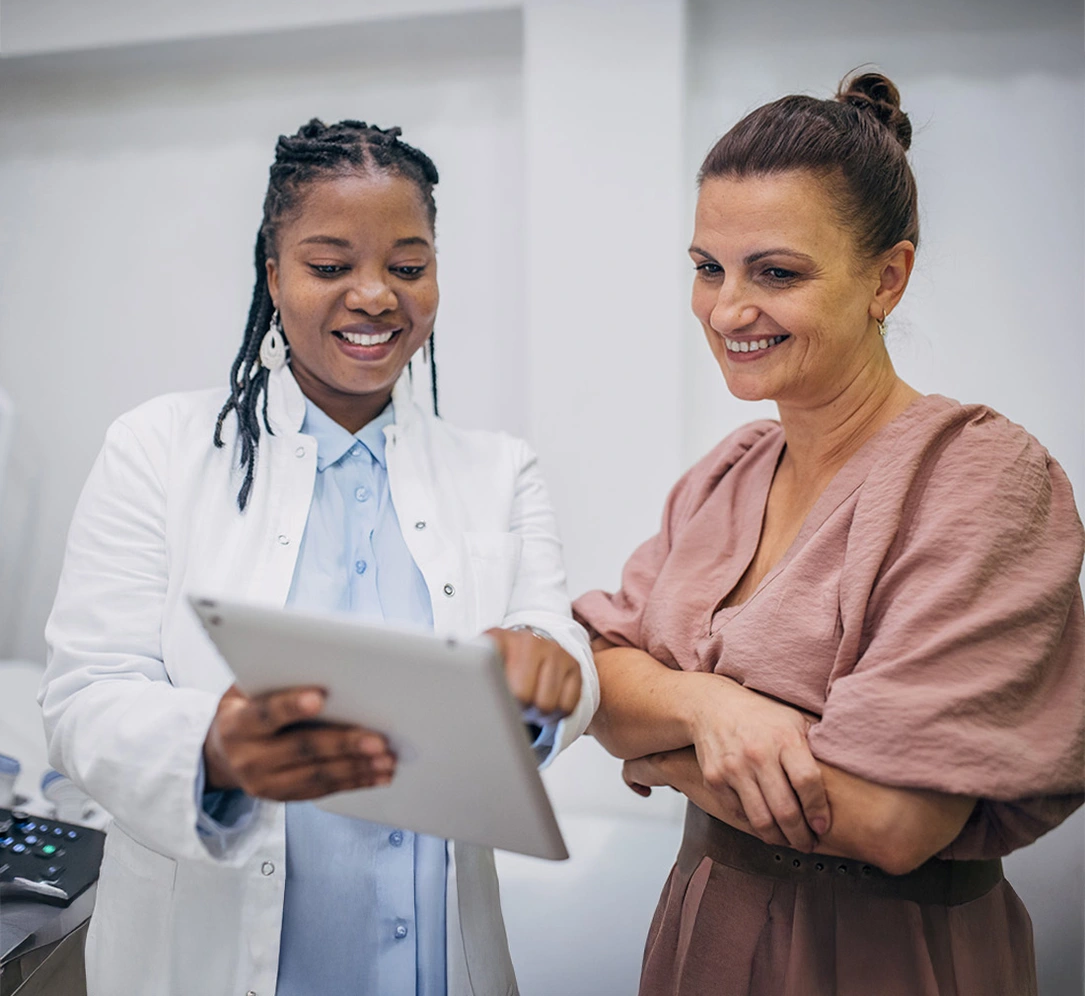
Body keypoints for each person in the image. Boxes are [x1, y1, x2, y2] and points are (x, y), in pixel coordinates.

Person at [40, 118, 598, 996]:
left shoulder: (499, 470)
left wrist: (549, 676)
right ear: (273, 274)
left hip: (431, 967)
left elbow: (555, 647)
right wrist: (214, 750)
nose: (375, 295)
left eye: (407, 267)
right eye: (330, 266)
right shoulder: (156, 449)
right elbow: (82, 698)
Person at [575, 74, 1084, 996]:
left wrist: (662, 753)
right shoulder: (728, 473)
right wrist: (715, 712)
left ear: (887, 277)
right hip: (702, 933)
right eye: (707, 267)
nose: (727, 310)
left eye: (776, 272)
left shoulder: (979, 479)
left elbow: (894, 819)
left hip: (886, 957)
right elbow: (595, 676)